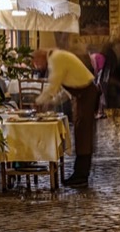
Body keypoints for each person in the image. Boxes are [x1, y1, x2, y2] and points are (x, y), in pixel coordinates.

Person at [36, 48, 101, 188]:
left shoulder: (55, 59)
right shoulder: (57, 57)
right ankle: (79, 173)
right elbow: (65, 90)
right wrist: (52, 102)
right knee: (81, 135)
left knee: (84, 136)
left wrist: (38, 102)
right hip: (82, 96)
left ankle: (81, 176)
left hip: (86, 95)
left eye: (36, 62)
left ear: (41, 56)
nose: (37, 66)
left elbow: (53, 86)